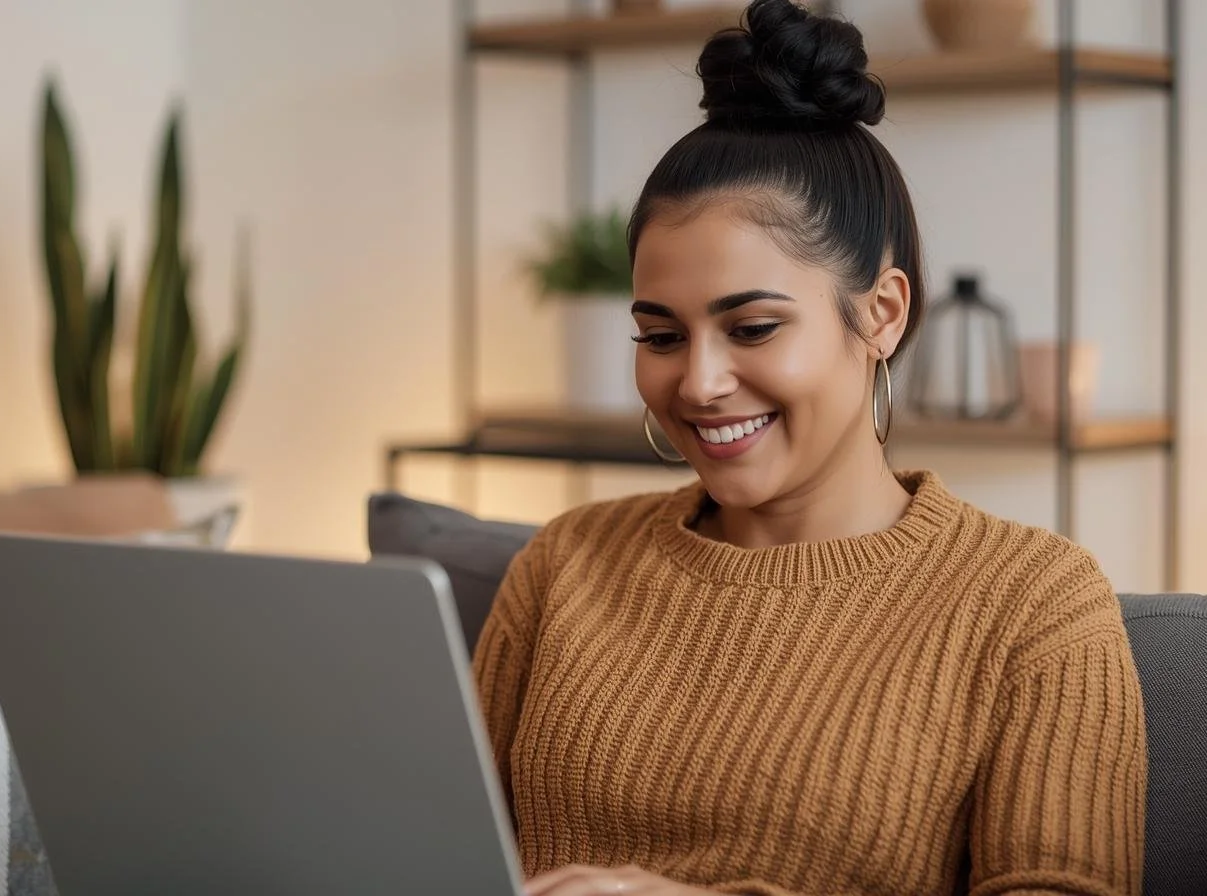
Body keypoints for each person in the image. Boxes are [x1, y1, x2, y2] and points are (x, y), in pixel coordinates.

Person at [471, 1, 1148, 894]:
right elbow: (421, 841)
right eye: (661, 336)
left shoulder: (1033, 607)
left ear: (884, 313)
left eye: (751, 328)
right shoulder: (566, 565)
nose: (699, 383)